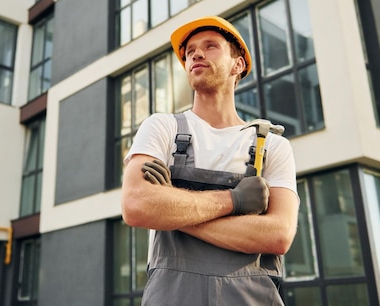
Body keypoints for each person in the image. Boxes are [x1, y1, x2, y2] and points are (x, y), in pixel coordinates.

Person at [121, 16, 300, 305]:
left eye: (210, 46)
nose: (196, 54)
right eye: (190, 51)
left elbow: (278, 235)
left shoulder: (272, 146)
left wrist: (170, 210)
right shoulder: (162, 127)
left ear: (237, 64)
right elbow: (136, 206)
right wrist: (234, 201)